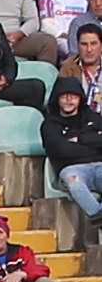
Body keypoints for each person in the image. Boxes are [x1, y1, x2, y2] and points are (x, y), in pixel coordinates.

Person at [46, 77, 102, 216]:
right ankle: (98, 217)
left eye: (73, 96)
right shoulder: (49, 125)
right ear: (57, 99)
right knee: (74, 182)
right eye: (64, 96)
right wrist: (94, 144)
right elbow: (62, 150)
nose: (69, 100)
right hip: (71, 169)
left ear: (80, 98)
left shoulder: (94, 118)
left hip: (99, 166)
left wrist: (80, 139)